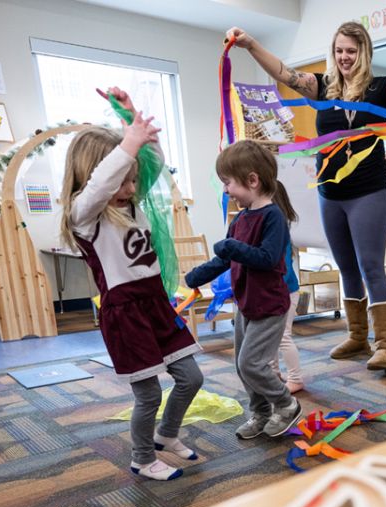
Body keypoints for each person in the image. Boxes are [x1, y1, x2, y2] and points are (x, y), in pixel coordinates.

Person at [225, 21, 386, 372]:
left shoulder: (381, 88)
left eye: (352, 50)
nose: (345, 57)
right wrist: (251, 44)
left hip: (369, 192)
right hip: (330, 193)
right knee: (345, 266)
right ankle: (357, 336)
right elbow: (283, 73)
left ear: (363, 52)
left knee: (370, 266)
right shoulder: (321, 87)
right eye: (339, 50)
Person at [59, 87, 204, 481]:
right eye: (123, 182)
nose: (130, 189)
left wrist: (130, 117)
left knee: (192, 377)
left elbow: (154, 162)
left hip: (155, 303)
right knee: (148, 394)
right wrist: (126, 146)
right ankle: (142, 458)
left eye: (133, 180)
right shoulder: (85, 216)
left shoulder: (133, 202)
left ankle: (166, 434)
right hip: (125, 314)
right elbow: (102, 185)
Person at [185, 140, 303, 440]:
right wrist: (196, 276)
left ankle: (286, 405)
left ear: (252, 180)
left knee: (252, 363)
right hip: (246, 303)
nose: (226, 190)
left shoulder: (273, 216)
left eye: (228, 183)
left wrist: (233, 247)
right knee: (242, 365)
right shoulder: (240, 218)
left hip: (269, 306)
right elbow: (226, 257)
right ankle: (261, 412)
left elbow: (266, 258)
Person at [271, 240, 305, 394]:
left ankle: (295, 379)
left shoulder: (279, 235)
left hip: (285, 293)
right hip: (273, 293)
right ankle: (273, 374)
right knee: (271, 337)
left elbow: (283, 270)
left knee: (283, 335)